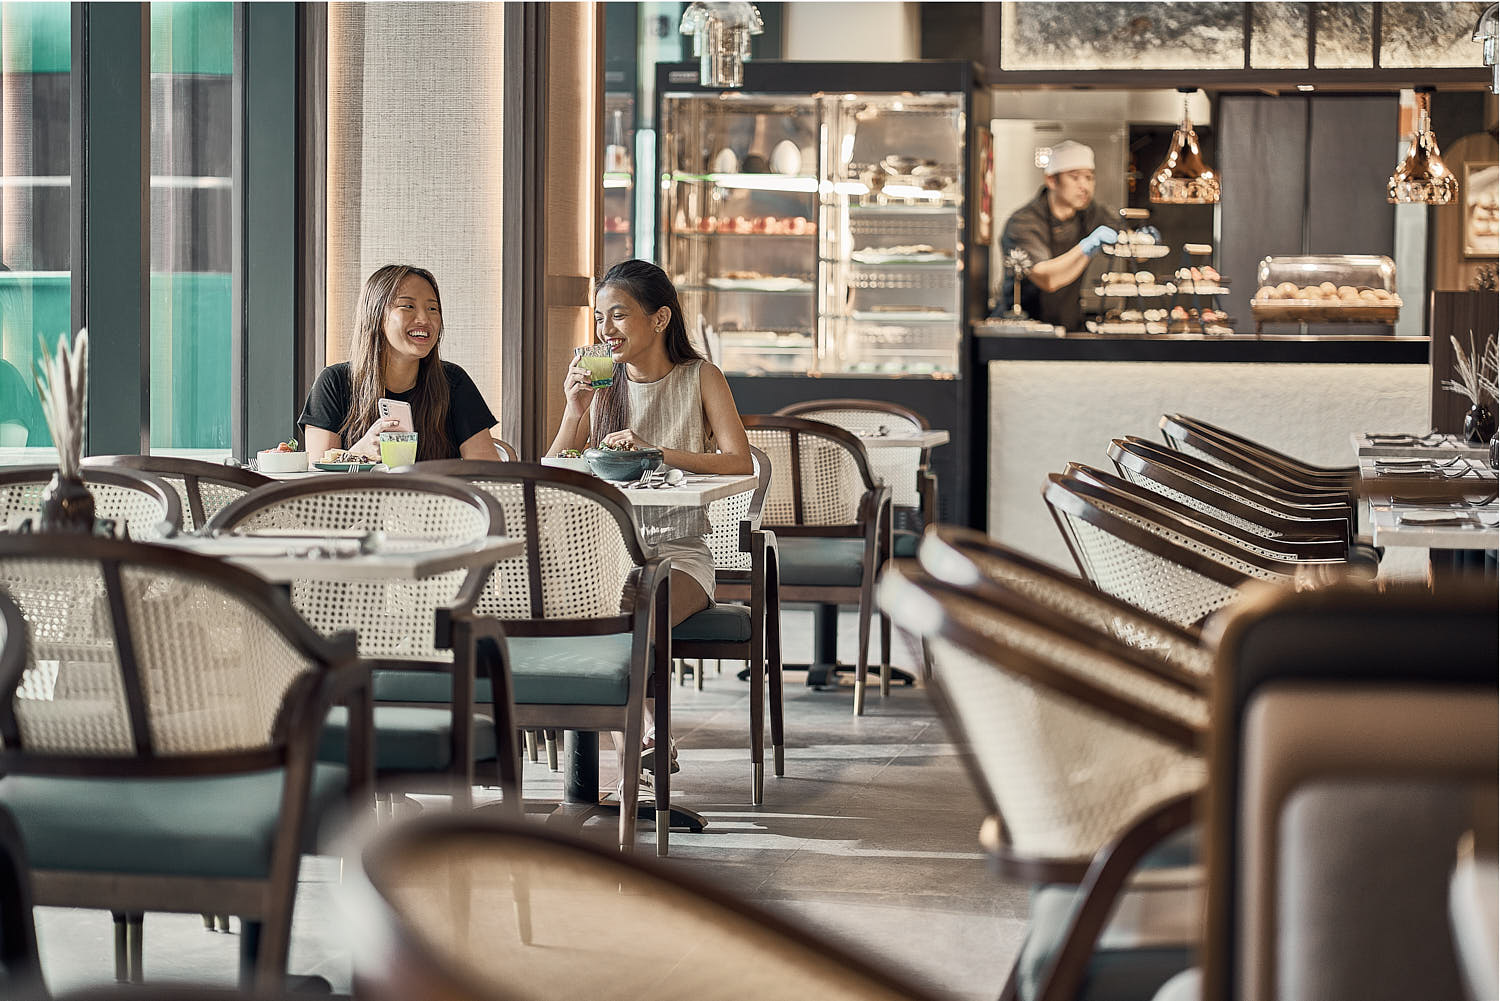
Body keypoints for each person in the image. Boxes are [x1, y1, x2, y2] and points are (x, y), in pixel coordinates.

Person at [549, 259, 753, 784]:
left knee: (636, 619)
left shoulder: (700, 377)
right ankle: (644, 739)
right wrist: (574, 411)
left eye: (618, 316)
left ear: (660, 319)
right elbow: (555, 474)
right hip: (606, 556)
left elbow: (738, 461)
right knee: (592, 616)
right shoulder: (602, 385)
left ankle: (635, 753)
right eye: (600, 318)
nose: (605, 330)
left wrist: (656, 452)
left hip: (677, 554)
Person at [301, 264, 497, 462]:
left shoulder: (453, 381)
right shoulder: (334, 382)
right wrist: (360, 452)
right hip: (357, 494)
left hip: (435, 494)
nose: (424, 319)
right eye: (408, 306)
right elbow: (318, 478)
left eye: (433, 308)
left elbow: (488, 471)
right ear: (376, 315)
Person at [995, 140, 1119, 331]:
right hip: (1024, 330)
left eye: (1089, 177)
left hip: (1069, 326)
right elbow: (1047, 279)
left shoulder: (1091, 213)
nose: (1084, 186)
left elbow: (1127, 241)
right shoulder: (1023, 222)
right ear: (1051, 180)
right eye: (1075, 177)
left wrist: (1142, 239)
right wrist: (1088, 246)